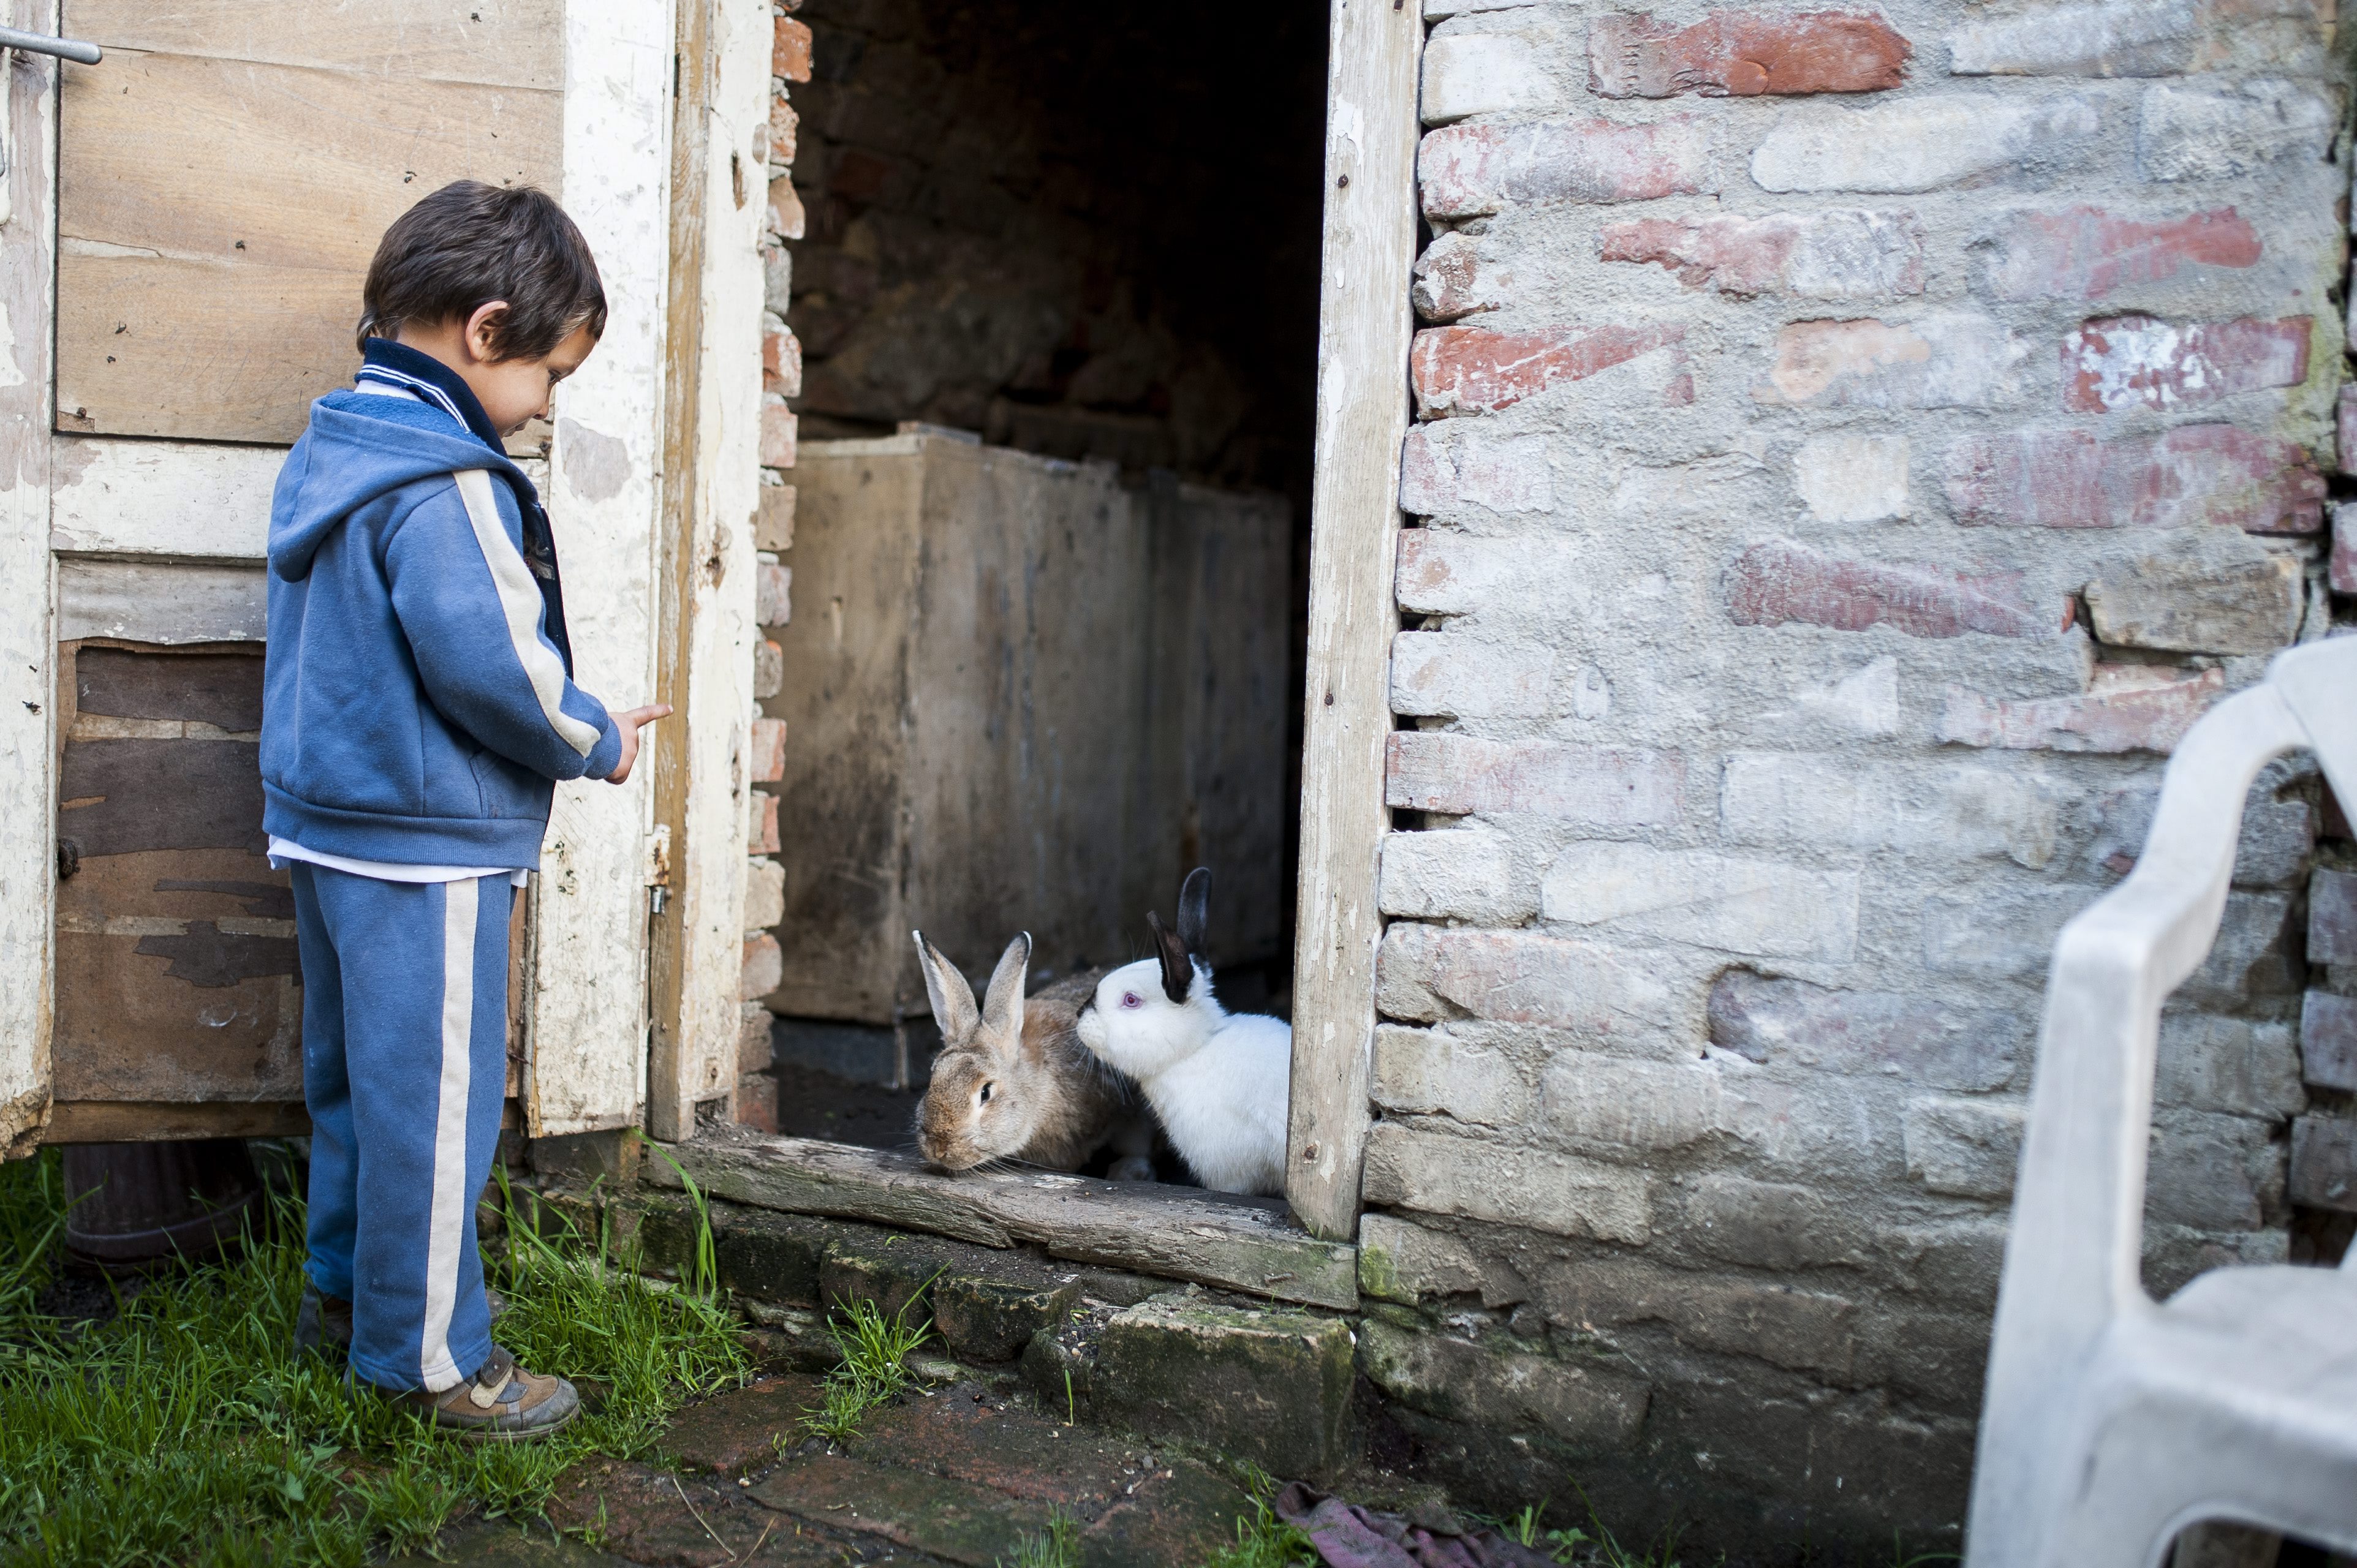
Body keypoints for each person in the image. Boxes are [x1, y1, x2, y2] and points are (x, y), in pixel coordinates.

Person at [260, 180, 667, 1440]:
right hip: (421, 851)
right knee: (434, 1110)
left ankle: (348, 1298)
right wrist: (591, 735)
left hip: (325, 830)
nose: (545, 407)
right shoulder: (451, 481)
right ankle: (432, 1359)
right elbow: (494, 660)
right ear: (485, 332)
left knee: (354, 1090)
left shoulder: (335, 444)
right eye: (549, 373)